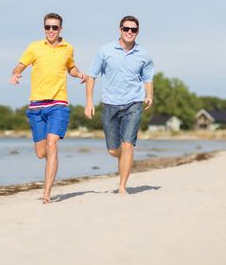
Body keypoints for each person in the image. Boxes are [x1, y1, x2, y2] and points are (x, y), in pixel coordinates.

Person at [9, 12, 85, 203]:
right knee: (41, 153)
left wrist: (79, 74)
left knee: (52, 146)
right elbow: (19, 66)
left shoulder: (68, 48)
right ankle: (52, 163)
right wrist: (16, 74)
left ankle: (47, 193)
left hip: (58, 104)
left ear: (61, 29)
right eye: (48, 27)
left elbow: (71, 68)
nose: (51, 30)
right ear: (44, 28)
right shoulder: (34, 47)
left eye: (55, 27)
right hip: (36, 106)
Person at [85, 15, 154, 195]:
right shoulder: (105, 50)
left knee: (128, 144)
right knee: (113, 150)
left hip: (134, 103)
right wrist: (89, 102)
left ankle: (122, 186)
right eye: (126, 29)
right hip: (110, 105)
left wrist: (149, 95)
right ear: (120, 29)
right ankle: (122, 156)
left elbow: (148, 78)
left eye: (133, 30)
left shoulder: (143, 54)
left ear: (137, 32)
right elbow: (92, 75)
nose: (129, 32)